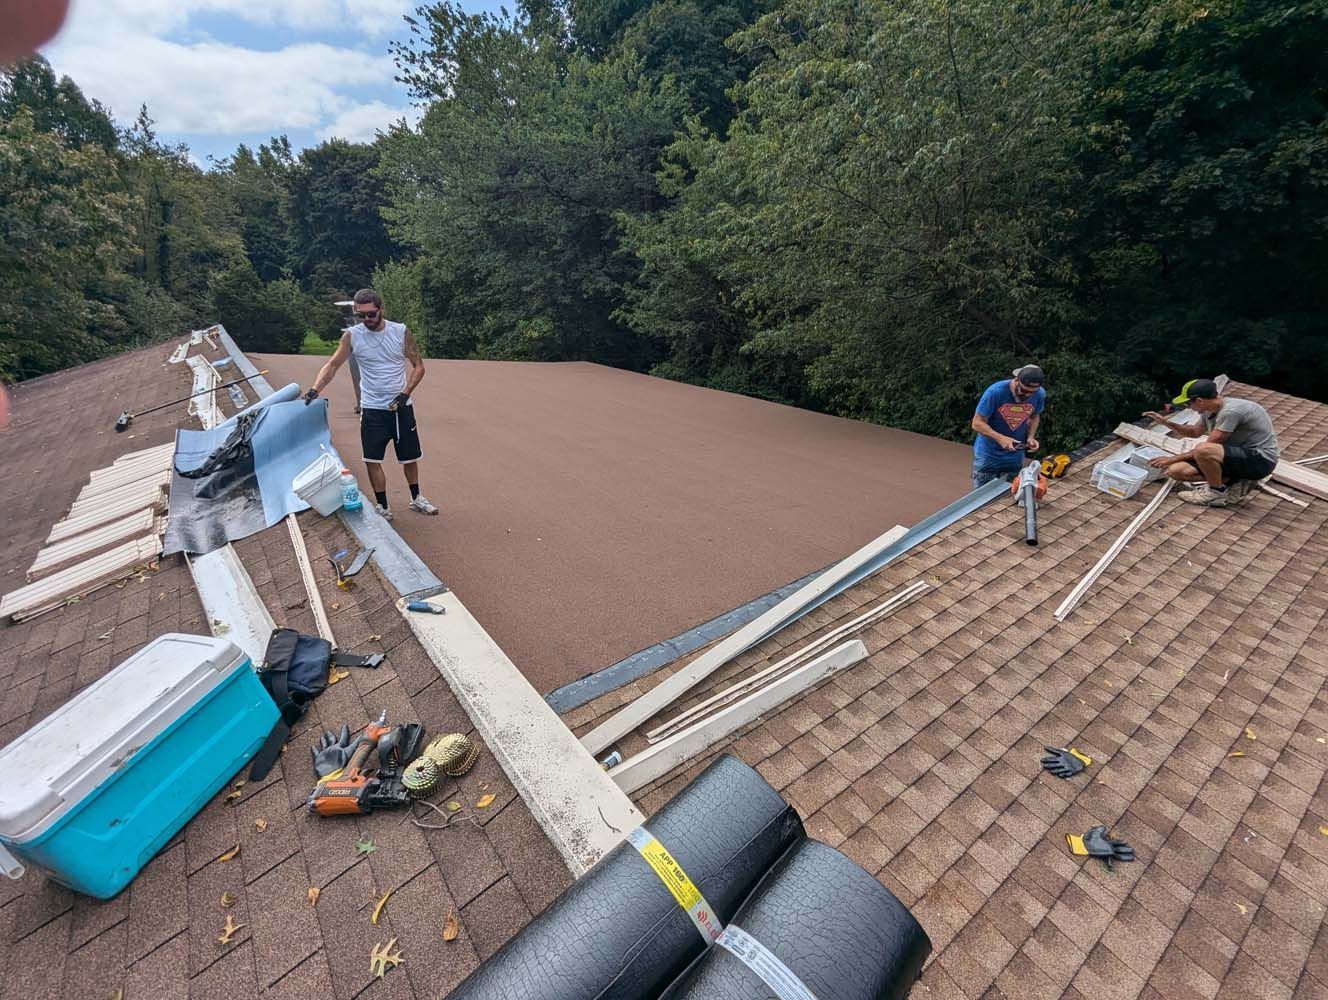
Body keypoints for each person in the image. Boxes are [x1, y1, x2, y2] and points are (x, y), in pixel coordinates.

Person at [302, 289, 439, 520]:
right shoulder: (352, 336)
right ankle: (383, 506)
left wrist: (405, 394)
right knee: (372, 459)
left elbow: (419, 366)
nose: (367, 320)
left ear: (381, 309)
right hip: (373, 408)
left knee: (409, 457)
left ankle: (416, 498)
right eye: (361, 315)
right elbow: (333, 365)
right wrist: (316, 389)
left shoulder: (400, 332)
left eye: (371, 314)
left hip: (400, 406)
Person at [1144, 378, 1280, 507]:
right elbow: (1194, 432)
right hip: (1235, 457)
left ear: (1199, 400)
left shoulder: (1230, 412)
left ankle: (1216, 493)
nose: (1190, 408)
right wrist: (1166, 423)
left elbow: (1207, 449)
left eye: (1188, 404)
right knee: (1175, 471)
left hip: (1259, 461)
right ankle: (1235, 481)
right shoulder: (1209, 410)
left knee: (1203, 450)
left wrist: (1171, 458)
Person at [970, 365, 1045, 489]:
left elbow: (1035, 416)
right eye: (1024, 390)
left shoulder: (1040, 394)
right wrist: (1001, 438)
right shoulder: (995, 392)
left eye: (1032, 393)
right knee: (982, 499)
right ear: (1016, 380)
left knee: (1010, 494)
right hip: (989, 456)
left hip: (1014, 456)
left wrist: (1030, 437)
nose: (1027, 395)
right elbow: (977, 423)